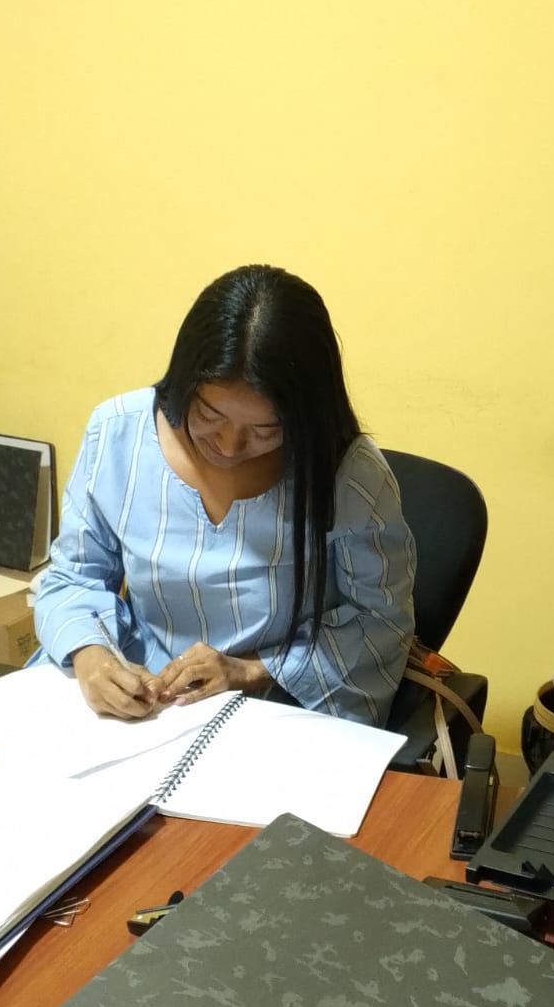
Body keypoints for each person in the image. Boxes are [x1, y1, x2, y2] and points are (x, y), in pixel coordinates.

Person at [32, 265, 416, 724]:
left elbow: (380, 623)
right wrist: (91, 656)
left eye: (265, 430)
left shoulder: (347, 474)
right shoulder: (119, 434)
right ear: (184, 381)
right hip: (143, 701)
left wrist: (248, 671)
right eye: (209, 416)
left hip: (277, 705)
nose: (229, 447)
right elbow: (74, 576)